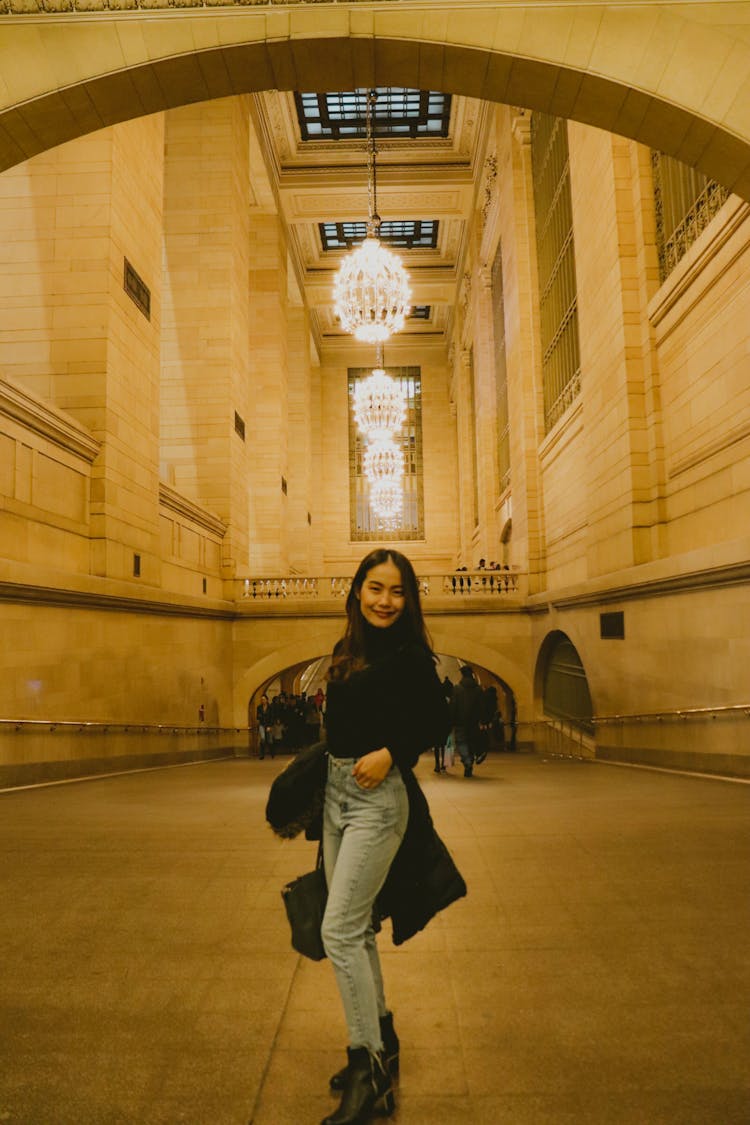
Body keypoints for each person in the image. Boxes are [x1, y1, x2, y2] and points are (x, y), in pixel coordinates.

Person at [320, 548, 453, 1125]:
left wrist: (392, 752)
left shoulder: (411, 656)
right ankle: (383, 1040)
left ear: (410, 598)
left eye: (398, 592)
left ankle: (367, 1068)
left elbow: (436, 719)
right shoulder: (345, 650)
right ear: (356, 592)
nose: (385, 601)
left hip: (378, 803)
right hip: (335, 798)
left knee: (339, 931)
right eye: (376, 588)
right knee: (359, 929)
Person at [451, 664, 483, 777]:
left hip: (460, 721)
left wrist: (451, 719)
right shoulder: (478, 689)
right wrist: (481, 719)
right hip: (474, 721)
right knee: (471, 742)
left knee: (462, 742)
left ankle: (467, 762)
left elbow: (453, 705)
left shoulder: (457, 689)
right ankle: (470, 762)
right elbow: (481, 706)